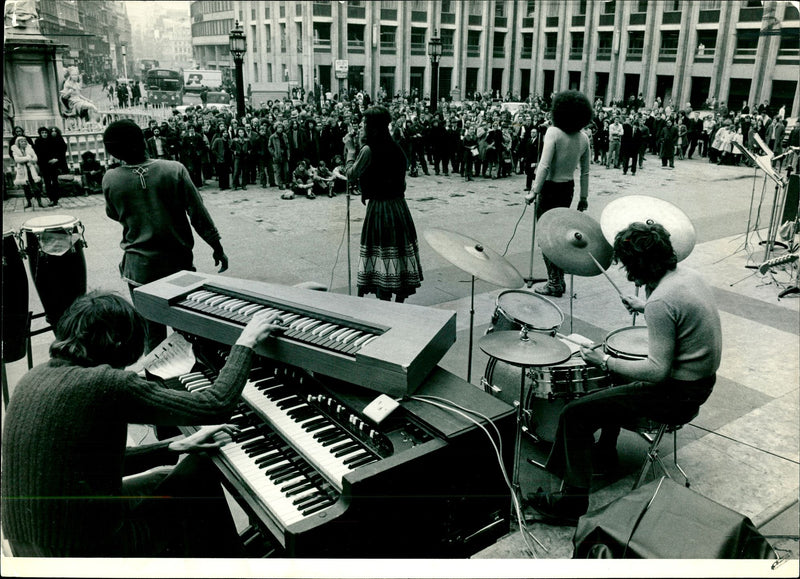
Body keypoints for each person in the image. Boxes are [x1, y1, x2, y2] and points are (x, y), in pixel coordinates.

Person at [2, 292, 283, 557]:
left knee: (164, 475)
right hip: (85, 549)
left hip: (29, 543)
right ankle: (230, 562)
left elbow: (87, 464)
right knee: (200, 472)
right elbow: (216, 404)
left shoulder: (34, 377)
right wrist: (246, 342)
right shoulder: (105, 383)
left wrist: (174, 446)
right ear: (119, 341)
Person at [526, 222, 721, 525]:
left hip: (677, 394)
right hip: (701, 384)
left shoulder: (662, 301)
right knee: (613, 384)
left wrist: (602, 360)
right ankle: (604, 452)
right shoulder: (688, 277)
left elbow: (656, 371)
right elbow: (679, 312)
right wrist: (644, 307)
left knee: (574, 413)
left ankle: (570, 504)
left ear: (636, 265)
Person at [102, 119, 229, 352]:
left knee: (154, 339)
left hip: (140, 269)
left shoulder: (111, 178)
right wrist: (217, 246)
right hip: (177, 266)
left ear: (113, 151)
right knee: (187, 333)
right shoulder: (174, 169)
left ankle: (158, 383)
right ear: (143, 141)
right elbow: (198, 214)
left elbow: (113, 213)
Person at [346, 105, 423, 303]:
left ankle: (384, 301)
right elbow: (402, 181)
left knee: (381, 252)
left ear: (372, 127)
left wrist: (350, 150)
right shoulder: (396, 147)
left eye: (365, 123)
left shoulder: (368, 150)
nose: (362, 126)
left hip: (380, 208)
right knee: (396, 253)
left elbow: (351, 174)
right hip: (399, 207)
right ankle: (397, 300)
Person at [524, 90, 592, 297]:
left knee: (546, 236)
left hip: (550, 188)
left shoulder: (553, 132)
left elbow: (544, 166)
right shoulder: (583, 138)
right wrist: (583, 198)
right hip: (568, 188)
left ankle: (554, 281)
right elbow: (586, 171)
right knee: (561, 236)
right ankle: (558, 279)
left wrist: (533, 191)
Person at [11, 135, 45, 209]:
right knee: (26, 187)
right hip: (22, 171)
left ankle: (39, 201)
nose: (24, 143)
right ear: (18, 143)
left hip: (31, 170)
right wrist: (28, 158)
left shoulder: (30, 149)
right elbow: (17, 159)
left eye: (25, 141)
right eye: (22, 141)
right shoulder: (15, 151)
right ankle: (28, 201)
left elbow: (35, 157)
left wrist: (32, 160)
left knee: (36, 186)